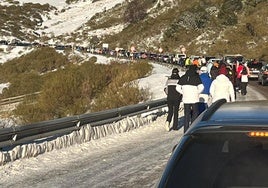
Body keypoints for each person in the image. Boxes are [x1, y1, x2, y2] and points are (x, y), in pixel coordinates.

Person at [176, 65, 204, 133]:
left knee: (186, 115)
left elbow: (177, 87)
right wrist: (197, 92)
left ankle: (186, 130)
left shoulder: (183, 77)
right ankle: (193, 129)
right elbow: (202, 87)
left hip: (186, 99)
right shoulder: (196, 77)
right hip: (194, 99)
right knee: (195, 113)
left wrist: (183, 92)